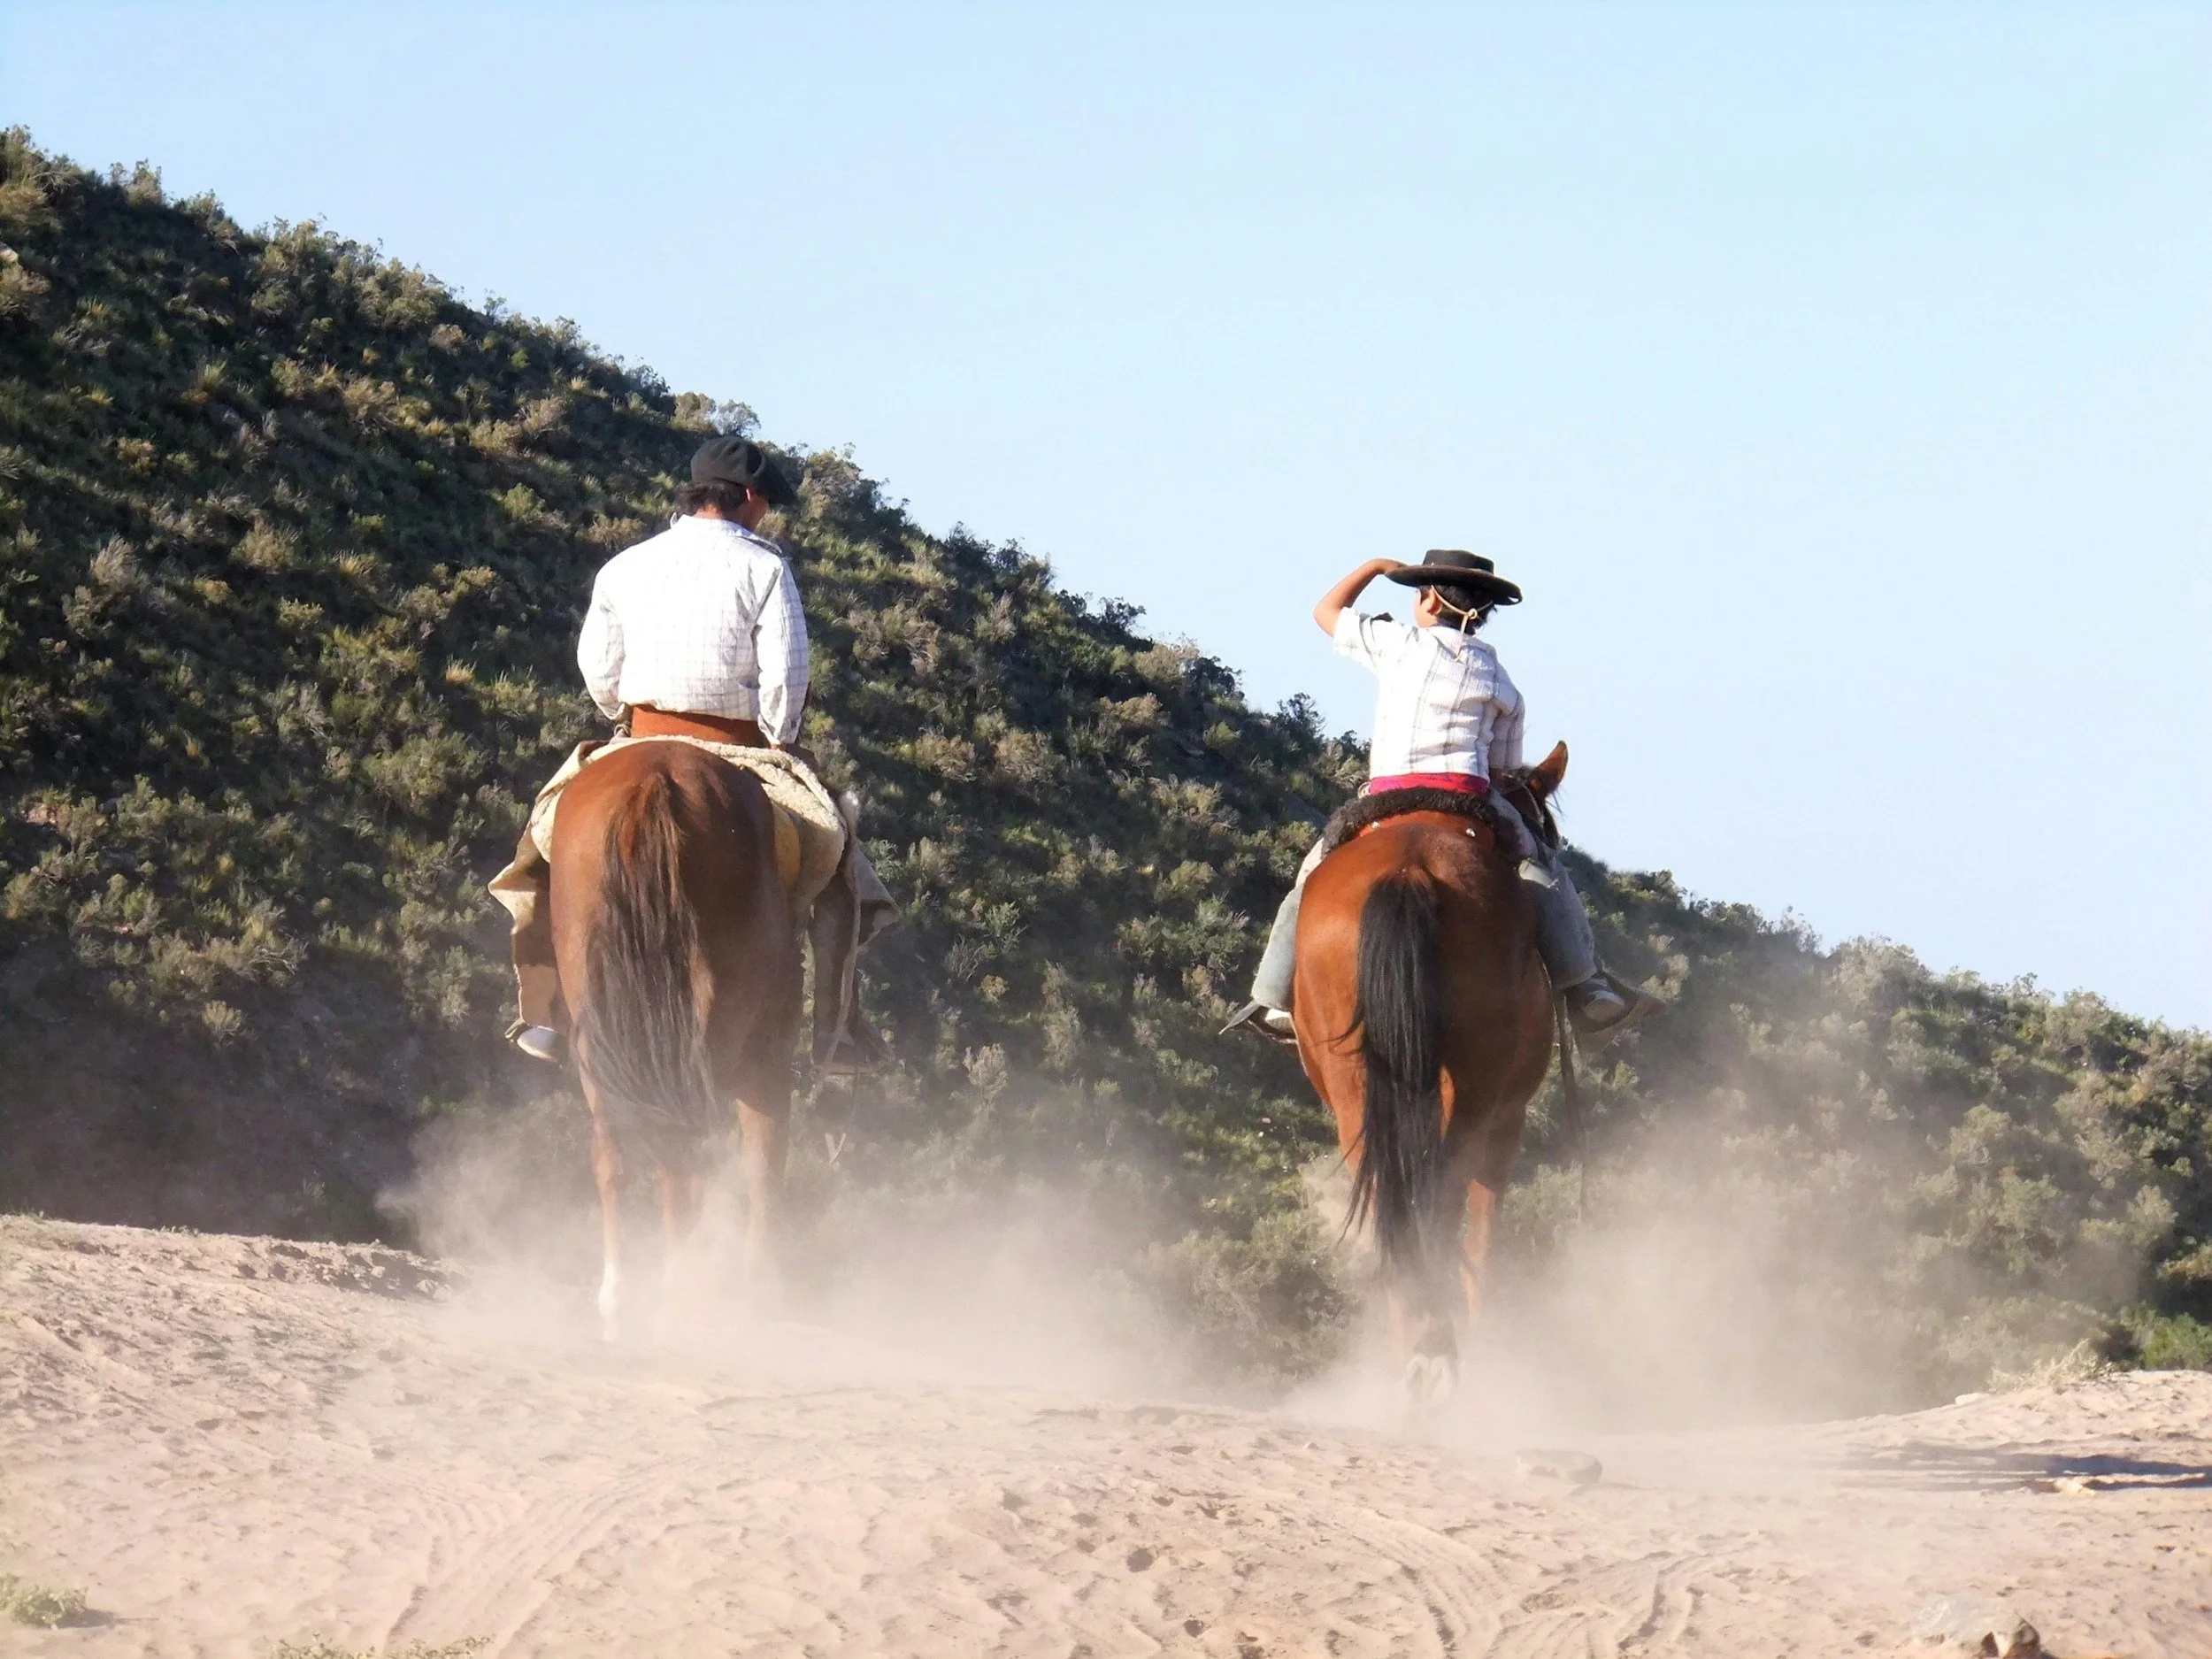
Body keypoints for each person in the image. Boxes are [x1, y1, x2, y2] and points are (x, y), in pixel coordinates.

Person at [499, 435, 892, 1069]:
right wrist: (781, 738)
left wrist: (623, 717)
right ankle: (837, 1031)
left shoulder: (625, 565)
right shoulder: (765, 568)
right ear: (747, 497)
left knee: (540, 847)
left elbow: (598, 671)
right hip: (739, 750)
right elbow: (787, 679)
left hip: (639, 732)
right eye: (765, 503)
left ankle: (541, 1008)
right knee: (840, 854)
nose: (765, 514)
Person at [1223, 548, 1655, 1044]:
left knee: (1313, 876)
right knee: (1541, 869)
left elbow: (1325, 612)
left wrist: (1374, 567)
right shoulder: (1502, 682)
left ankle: (1273, 997)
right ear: (1483, 616)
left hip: (1385, 797)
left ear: (1427, 600)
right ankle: (1585, 985)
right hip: (1468, 798)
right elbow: (1502, 771)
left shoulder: (1396, 643)